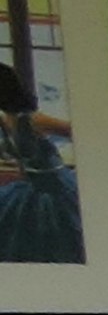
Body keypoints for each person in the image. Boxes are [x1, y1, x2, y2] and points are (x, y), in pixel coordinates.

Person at [0, 59, 78, 268]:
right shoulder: (5, 120)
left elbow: (77, 132)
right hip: (28, 187)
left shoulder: (33, 119)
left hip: (55, 192)